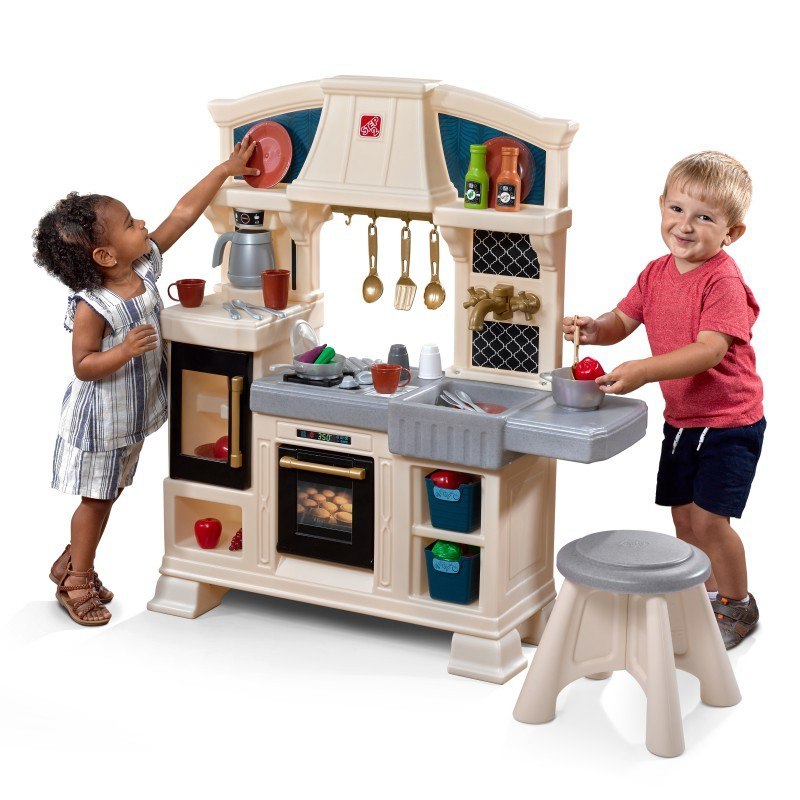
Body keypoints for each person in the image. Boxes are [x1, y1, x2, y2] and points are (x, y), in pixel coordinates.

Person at [33, 135, 259, 626]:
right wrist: (122, 351)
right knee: (96, 501)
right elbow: (83, 364)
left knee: (109, 494)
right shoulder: (94, 305)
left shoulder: (143, 267)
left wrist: (225, 170)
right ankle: (76, 582)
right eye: (130, 223)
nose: (142, 225)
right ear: (105, 256)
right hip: (102, 422)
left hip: (131, 418)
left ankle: (70, 562)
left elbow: (183, 213)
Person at [563, 151, 765, 649]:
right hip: (683, 420)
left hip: (729, 421)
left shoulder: (723, 281)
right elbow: (621, 320)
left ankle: (737, 603)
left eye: (704, 217)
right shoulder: (655, 273)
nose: (685, 225)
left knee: (710, 521)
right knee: (682, 516)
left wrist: (644, 371)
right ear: (661, 206)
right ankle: (702, 595)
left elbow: (709, 350)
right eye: (677, 209)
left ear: (732, 232)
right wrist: (594, 329)